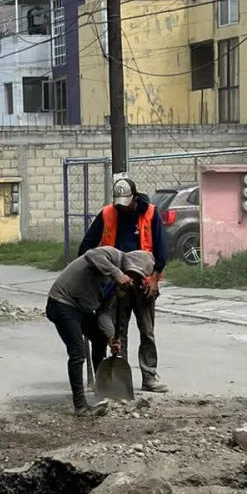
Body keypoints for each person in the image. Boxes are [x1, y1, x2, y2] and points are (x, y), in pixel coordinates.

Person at [79, 177, 168, 393]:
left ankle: (149, 376)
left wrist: (154, 279)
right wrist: (95, 275)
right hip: (117, 282)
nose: (122, 208)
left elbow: (161, 250)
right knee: (119, 331)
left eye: (126, 204)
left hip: (144, 281)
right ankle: (121, 379)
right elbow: (87, 247)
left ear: (135, 198)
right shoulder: (108, 213)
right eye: (119, 204)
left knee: (147, 331)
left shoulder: (151, 213)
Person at [47, 247, 155, 416]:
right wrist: (116, 273)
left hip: (83, 310)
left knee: (99, 339)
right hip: (62, 303)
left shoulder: (116, 287)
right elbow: (91, 255)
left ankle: (102, 389)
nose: (132, 280)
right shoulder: (113, 255)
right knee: (78, 353)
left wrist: (110, 336)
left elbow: (103, 313)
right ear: (130, 266)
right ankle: (80, 406)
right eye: (134, 275)